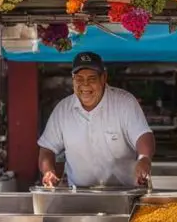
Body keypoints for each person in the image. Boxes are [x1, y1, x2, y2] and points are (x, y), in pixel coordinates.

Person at [38, 52, 154, 188]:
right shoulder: (63, 109)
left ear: (103, 77)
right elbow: (47, 149)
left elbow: (143, 134)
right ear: (73, 79)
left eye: (92, 78)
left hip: (125, 193)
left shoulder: (124, 102)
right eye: (79, 79)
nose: (85, 85)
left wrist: (144, 159)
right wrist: (48, 172)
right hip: (80, 195)